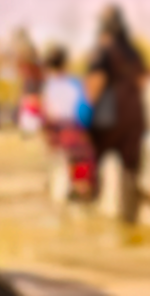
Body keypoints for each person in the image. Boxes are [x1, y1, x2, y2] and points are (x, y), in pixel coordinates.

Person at [85, 5, 149, 224]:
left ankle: (92, 208)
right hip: (134, 118)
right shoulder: (134, 52)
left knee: (93, 159)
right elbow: (143, 83)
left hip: (107, 117)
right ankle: (130, 216)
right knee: (130, 168)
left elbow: (96, 83)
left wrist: (85, 111)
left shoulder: (103, 51)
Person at [39, 44, 94, 201]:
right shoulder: (76, 83)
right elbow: (85, 109)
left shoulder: (47, 86)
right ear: (65, 63)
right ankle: (81, 191)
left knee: (61, 167)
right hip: (75, 129)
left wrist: (47, 134)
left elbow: (45, 113)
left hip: (56, 131)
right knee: (80, 163)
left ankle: (66, 192)